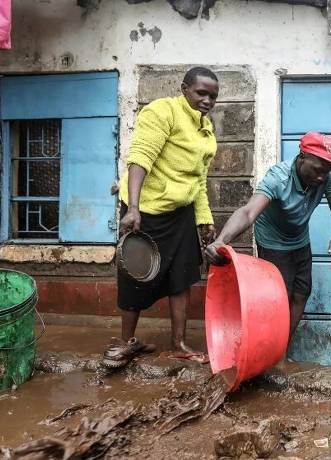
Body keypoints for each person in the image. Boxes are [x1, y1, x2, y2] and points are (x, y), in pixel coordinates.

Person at [103, 67, 219, 369]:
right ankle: (126, 342)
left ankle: (179, 343)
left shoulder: (205, 130)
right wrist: (133, 208)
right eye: (201, 93)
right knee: (137, 275)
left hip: (181, 212)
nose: (207, 100)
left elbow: (199, 181)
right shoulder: (162, 112)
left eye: (213, 96)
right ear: (184, 88)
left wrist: (203, 220)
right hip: (146, 209)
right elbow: (140, 158)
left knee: (182, 276)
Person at [204, 132, 331, 343]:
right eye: (317, 171)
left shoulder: (327, 176)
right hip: (273, 243)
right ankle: (269, 346)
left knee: (302, 292)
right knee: (279, 298)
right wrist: (221, 240)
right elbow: (248, 212)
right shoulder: (278, 178)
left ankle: (281, 345)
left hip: (300, 239)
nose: (321, 178)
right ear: (301, 157)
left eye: (326, 173)